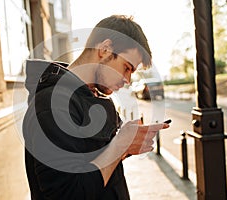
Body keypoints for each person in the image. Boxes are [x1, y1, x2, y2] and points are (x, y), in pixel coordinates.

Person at [23, 15, 170, 200]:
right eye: (126, 68)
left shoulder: (94, 97)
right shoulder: (52, 104)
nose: (127, 80)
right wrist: (120, 145)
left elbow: (98, 166)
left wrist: (126, 146)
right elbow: (68, 194)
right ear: (105, 49)